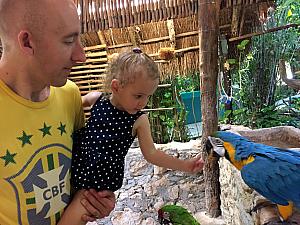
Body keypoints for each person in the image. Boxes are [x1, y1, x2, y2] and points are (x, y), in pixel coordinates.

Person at [0, 0, 115, 224]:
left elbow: (77, 185)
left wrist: (94, 200)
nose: (82, 56)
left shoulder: (70, 95)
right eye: (69, 40)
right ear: (27, 42)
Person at [58, 48, 205, 224]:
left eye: (147, 96)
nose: (143, 102)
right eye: (138, 95)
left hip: (94, 189)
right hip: (71, 174)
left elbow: (151, 153)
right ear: (116, 86)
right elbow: (68, 105)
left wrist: (185, 166)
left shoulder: (139, 120)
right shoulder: (96, 99)